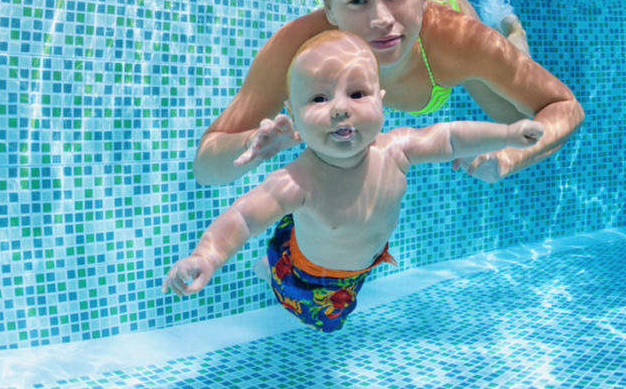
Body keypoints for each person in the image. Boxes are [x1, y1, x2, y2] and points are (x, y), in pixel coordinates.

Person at [163, 31, 544, 332]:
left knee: (341, 306)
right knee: (325, 321)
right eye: (319, 98)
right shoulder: (297, 181)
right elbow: (244, 218)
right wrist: (208, 255)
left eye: (357, 93)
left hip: (361, 263)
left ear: (380, 99)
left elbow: (451, 137)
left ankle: (284, 259)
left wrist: (508, 134)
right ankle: (270, 267)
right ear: (292, 116)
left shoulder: (397, 149)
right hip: (305, 273)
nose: (341, 107)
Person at [192, 0, 583, 186]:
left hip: (442, 45)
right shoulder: (297, 47)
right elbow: (207, 167)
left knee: (512, 117)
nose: (381, 19)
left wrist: (508, 158)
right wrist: (251, 146)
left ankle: (512, 30)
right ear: (328, 8)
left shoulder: (459, 40)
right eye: (357, 1)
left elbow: (565, 108)